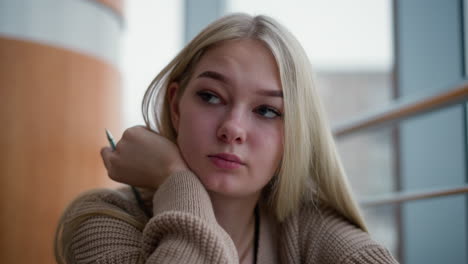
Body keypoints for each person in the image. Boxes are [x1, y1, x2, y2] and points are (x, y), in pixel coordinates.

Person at [54, 13, 398, 264]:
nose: (232, 128)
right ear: (175, 105)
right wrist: (175, 178)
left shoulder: (308, 230)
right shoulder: (103, 219)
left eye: (266, 111)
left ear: (293, 136)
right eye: (211, 96)